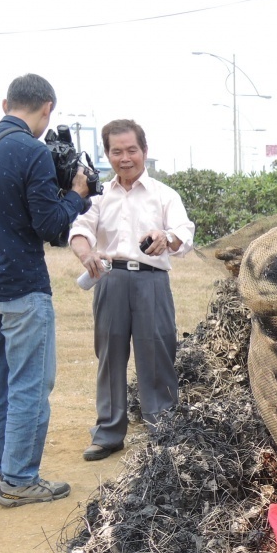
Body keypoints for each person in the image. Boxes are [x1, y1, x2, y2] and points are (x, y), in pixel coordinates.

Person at [0, 73, 91, 508]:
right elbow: (51, 226)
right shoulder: (32, 151)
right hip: (20, 287)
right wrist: (75, 194)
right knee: (30, 383)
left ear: (5, 104)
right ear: (47, 107)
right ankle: (18, 479)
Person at [69, 119, 195, 461]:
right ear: (107, 154)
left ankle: (163, 431)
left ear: (144, 151)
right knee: (109, 356)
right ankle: (108, 433)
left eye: (131, 150)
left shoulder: (164, 195)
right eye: (116, 151)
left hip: (151, 281)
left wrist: (165, 238)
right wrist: (86, 253)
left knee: (157, 354)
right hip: (109, 279)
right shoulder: (98, 197)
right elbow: (80, 229)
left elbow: (184, 232)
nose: (125, 158)